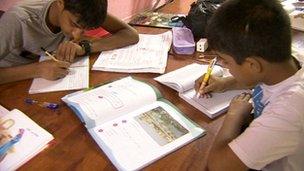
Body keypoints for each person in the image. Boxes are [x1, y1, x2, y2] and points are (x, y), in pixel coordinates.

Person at [195, 0, 304, 170]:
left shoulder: (287, 113)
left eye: (226, 61)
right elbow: (263, 76)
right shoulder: (287, 60)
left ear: (252, 65)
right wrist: (226, 83)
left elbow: (218, 166)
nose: (223, 66)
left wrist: (233, 117)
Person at [0, 0, 139, 84]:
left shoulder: (85, 10)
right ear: (60, 2)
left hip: (47, 78)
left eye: (85, 29)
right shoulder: (18, 20)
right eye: (75, 24)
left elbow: (130, 35)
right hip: (13, 80)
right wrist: (38, 69)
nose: (77, 35)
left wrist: (86, 47)